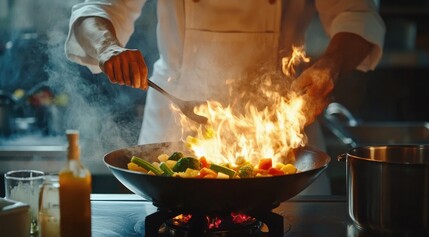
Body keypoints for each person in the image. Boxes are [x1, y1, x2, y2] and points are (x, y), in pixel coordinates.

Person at [65, 0, 385, 194]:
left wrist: (329, 67)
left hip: (280, 125)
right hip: (175, 123)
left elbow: (357, 13)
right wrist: (108, 47)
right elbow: (96, 8)